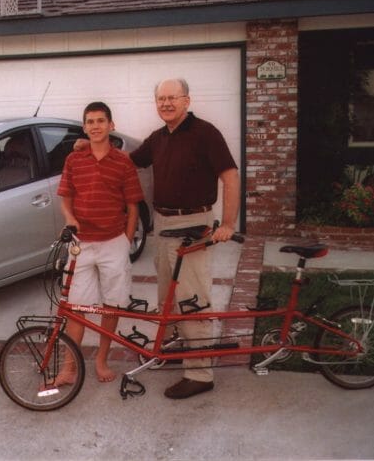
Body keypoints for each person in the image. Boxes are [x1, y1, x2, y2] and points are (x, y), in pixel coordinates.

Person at [129, 78, 240, 399]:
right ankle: (177, 349)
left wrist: (229, 222)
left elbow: (230, 176)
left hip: (194, 223)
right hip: (163, 222)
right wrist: (91, 145)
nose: (166, 104)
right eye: (160, 99)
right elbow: (130, 161)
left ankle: (200, 373)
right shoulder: (160, 137)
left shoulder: (206, 133)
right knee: (168, 294)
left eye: (172, 98)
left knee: (192, 298)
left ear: (187, 101)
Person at [56, 101, 144, 384]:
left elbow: (133, 207)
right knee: (77, 307)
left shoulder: (123, 162)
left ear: (111, 125)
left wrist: (126, 241)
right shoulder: (74, 160)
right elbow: (66, 199)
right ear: (85, 127)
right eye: (90, 122)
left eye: (100, 121)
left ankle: (102, 360)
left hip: (113, 243)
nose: (95, 126)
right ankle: (69, 367)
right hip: (82, 244)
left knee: (112, 305)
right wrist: (70, 218)